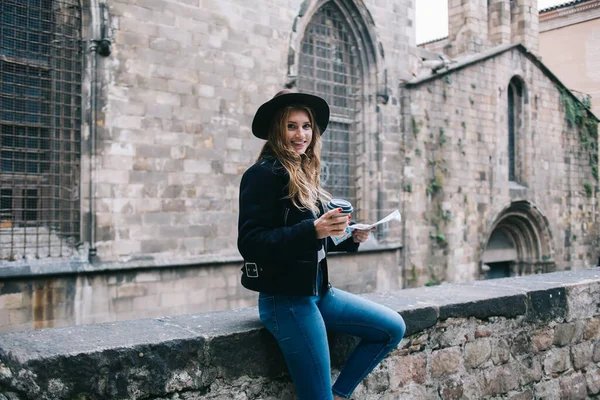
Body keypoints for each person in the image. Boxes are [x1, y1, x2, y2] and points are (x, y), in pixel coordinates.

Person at [237, 89, 406, 399]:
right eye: (291, 126)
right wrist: (312, 229)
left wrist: (347, 236)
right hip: (286, 301)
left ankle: (339, 394)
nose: (300, 134)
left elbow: (312, 239)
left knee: (391, 329)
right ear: (277, 129)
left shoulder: (304, 172)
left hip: (319, 293)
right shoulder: (261, 175)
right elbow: (250, 242)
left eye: (306, 126)